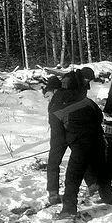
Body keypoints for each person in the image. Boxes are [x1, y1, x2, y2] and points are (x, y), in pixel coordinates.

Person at [51, 73, 112, 218]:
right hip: (98, 140)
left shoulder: (56, 107)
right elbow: (99, 116)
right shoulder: (86, 101)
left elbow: (58, 139)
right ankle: (108, 198)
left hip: (80, 144)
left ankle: (68, 209)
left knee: (73, 176)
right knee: (101, 169)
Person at [43, 76, 67, 205]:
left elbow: (54, 122)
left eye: (48, 95)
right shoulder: (70, 96)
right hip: (73, 133)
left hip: (59, 136)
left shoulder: (56, 101)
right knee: (81, 159)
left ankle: (53, 193)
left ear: (54, 90)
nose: (48, 99)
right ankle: (93, 184)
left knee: (52, 164)